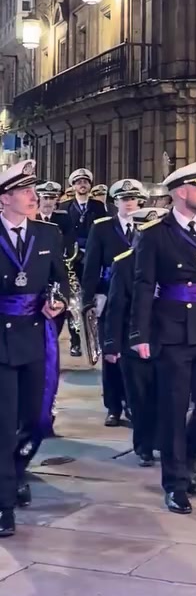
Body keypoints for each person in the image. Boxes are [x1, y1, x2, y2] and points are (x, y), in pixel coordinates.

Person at [129, 161, 196, 515]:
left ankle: (187, 457)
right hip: (171, 330)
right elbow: (143, 285)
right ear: (180, 192)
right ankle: (174, 483)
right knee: (173, 409)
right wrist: (139, 333)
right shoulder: (156, 231)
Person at [0, 160, 69, 537]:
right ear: (4, 198)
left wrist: (57, 301)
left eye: (34, 190)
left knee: (36, 419)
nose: (33, 196)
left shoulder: (48, 234)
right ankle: (3, 502)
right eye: (24, 191)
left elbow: (61, 281)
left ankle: (14, 470)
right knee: (2, 422)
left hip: (34, 338)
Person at [81, 179, 146, 427]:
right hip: (110, 297)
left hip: (141, 299)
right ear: (115, 201)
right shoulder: (102, 227)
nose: (128, 203)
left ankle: (133, 401)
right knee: (112, 353)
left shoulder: (149, 226)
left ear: (140, 200)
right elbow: (91, 266)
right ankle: (113, 406)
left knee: (136, 354)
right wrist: (89, 299)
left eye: (132, 198)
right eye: (123, 198)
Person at [104, 206, 161, 466]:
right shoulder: (124, 263)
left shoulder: (169, 260)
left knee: (166, 395)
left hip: (166, 339)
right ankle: (144, 445)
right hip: (132, 341)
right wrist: (112, 345)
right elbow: (116, 307)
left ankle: (163, 440)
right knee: (139, 397)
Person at [57, 168, 106, 357]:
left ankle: (96, 339)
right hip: (73, 261)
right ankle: (75, 341)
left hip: (94, 260)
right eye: (78, 182)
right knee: (74, 302)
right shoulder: (65, 208)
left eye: (85, 182)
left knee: (94, 298)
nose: (82, 185)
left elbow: (101, 231)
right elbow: (65, 235)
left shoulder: (99, 207)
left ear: (90, 185)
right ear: (73, 186)